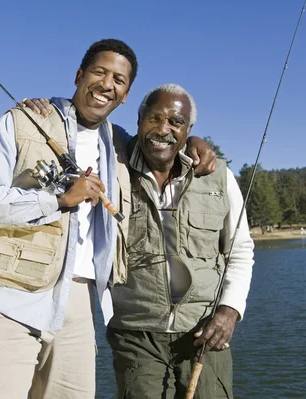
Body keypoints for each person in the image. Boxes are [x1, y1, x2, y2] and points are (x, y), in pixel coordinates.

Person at [0, 39, 215, 399]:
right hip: (9, 299)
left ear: (126, 95)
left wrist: (194, 140)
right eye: (99, 72)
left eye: (119, 80)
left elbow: (163, 137)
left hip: (79, 304)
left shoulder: (120, 142)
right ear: (79, 76)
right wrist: (59, 199)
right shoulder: (22, 121)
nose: (108, 84)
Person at [106, 83, 255, 398]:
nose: (163, 129)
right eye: (154, 118)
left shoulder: (220, 176)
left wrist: (230, 311)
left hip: (204, 332)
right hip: (136, 333)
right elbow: (87, 121)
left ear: (189, 130)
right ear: (138, 120)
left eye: (176, 122)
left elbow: (240, 251)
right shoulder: (113, 167)